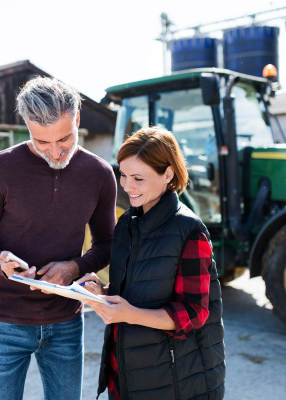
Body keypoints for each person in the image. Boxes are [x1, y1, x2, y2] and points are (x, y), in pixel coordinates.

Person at [0, 76, 117, 400]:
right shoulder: (0, 168)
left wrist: (74, 267)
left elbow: (108, 244)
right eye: (42, 142)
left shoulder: (100, 174)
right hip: (4, 323)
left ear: (77, 120)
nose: (56, 153)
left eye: (64, 139)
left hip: (66, 323)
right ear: (27, 127)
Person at [78, 127, 225, 400]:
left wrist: (128, 314)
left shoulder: (189, 231)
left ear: (167, 174)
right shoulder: (126, 224)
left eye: (138, 178)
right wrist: (103, 293)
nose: (127, 186)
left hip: (174, 381)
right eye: (122, 175)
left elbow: (195, 312)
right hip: (125, 375)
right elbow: (137, 290)